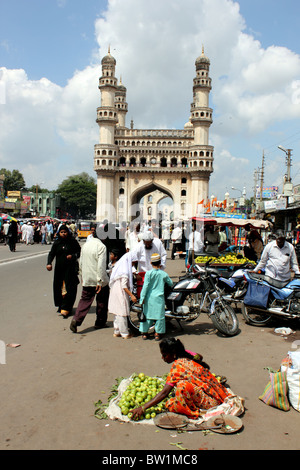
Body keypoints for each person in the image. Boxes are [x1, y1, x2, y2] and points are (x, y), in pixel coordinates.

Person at [130, 337, 229, 420]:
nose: (162, 358)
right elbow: (200, 357)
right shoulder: (187, 355)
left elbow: (165, 392)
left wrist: (143, 408)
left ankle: (191, 412)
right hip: (216, 393)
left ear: (173, 353)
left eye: (164, 355)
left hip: (211, 402)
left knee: (179, 391)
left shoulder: (178, 367)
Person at [69, 233, 109, 333]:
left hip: (87, 277)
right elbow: (101, 265)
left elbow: (81, 262)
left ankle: (76, 319)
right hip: (99, 279)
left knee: (85, 300)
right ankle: (100, 322)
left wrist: (82, 275)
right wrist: (100, 281)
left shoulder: (85, 245)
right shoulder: (101, 247)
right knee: (102, 301)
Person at [46, 225, 81, 318]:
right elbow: (52, 253)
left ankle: (67, 307)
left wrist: (73, 256)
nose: (63, 234)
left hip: (70, 269)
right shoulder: (57, 243)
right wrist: (49, 263)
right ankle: (61, 305)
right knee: (59, 287)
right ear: (59, 233)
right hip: (59, 269)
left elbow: (79, 252)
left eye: (65, 232)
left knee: (69, 287)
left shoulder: (72, 241)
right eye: (61, 232)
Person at [139, 253, 173, 341]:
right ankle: (157, 333)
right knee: (159, 316)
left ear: (151, 263)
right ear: (160, 262)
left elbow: (145, 286)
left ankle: (144, 333)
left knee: (147, 315)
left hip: (149, 298)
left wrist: (142, 298)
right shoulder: (163, 274)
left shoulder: (148, 274)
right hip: (159, 298)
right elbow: (171, 283)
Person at [108, 252, 137, 339]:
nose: (133, 264)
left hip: (115, 291)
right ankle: (125, 333)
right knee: (122, 313)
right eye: (133, 263)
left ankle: (117, 331)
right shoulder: (124, 271)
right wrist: (131, 295)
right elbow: (124, 286)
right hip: (120, 292)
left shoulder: (119, 268)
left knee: (117, 313)